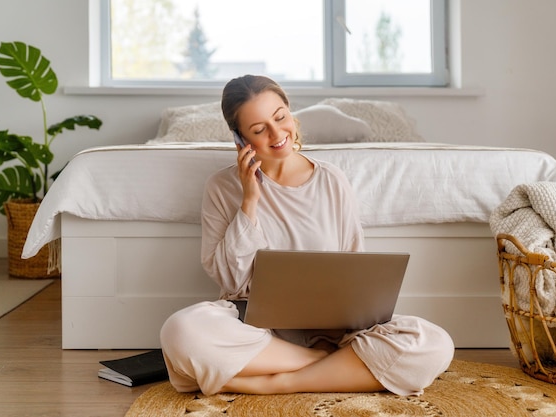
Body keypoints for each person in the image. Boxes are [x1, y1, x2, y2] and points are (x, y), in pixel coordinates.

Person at [160, 74, 454, 396]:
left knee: (435, 344)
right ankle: (327, 364)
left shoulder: (332, 180)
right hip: (257, 332)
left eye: (280, 117)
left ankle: (279, 382)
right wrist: (250, 201)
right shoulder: (222, 187)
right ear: (240, 140)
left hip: (334, 330)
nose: (276, 134)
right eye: (259, 130)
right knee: (181, 330)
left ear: (290, 111)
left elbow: (355, 271)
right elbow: (231, 281)